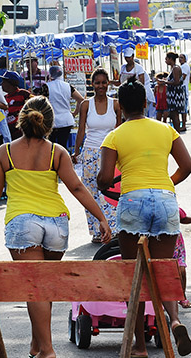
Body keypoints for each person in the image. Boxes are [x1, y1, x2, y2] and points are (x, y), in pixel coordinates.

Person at [0, 96, 112, 358]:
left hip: (23, 224)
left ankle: (47, 349)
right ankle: (36, 345)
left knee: (35, 288)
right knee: (43, 288)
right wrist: (101, 217)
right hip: (56, 224)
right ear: (49, 124)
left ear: (21, 121)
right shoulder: (57, 152)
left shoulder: (5, 152)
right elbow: (77, 188)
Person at [97, 76, 191, 358]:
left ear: (121, 107)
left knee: (134, 274)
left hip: (133, 201)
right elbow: (187, 165)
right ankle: (173, 321)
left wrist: (112, 183)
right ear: (148, 103)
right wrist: (165, 184)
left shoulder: (114, 136)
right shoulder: (166, 130)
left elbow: (103, 178)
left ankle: (139, 345)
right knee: (164, 269)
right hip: (164, 200)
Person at [73, 68, 122, 243]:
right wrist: (76, 151)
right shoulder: (86, 104)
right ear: (92, 84)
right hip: (90, 152)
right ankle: (96, 230)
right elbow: (81, 130)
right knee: (90, 192)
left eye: (103, 82)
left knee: (110, 192)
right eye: (97, 83)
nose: (101, 86)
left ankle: (112, 228)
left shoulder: (115, 104)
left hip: (109, 153)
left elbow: (119, 131)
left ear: (108, 83)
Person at [43, 65, 84, 150]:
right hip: (66, 120)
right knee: (63, 146)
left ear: (50, 75)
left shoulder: (46, 87)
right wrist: (75, 113)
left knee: (51, 147)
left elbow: (39, 102)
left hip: (52, 121)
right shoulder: (68, 86)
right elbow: (81, 100)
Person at [0, 70, 31, 141]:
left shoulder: (24, 94)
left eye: (4, 82)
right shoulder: (4, 98)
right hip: (9, 134)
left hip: (22, 132)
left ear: (10, 83)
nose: (1, 84)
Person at [161, 51, 186, 133]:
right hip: (173, 94)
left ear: (171, 59)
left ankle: (177, 133)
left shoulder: (175, 68)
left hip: (176, 94)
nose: (165, 60)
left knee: (174, 114)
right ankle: (177, 132)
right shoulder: (173, 68)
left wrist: (165, 82)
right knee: (173, 114)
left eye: (166, 59)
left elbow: (176, 82)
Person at [179, 53, 190, 131]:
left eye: (182, 57)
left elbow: (182, 77)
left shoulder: (185, 66)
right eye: (179, 57)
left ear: (185, 59)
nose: (180, 59)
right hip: (182, 88)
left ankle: (184, 125)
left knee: (183, 108)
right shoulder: (182, 66)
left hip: (183, 88)